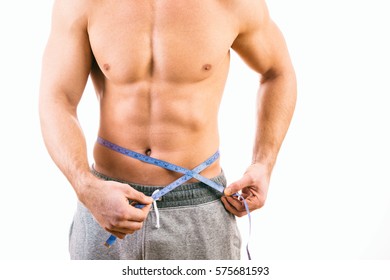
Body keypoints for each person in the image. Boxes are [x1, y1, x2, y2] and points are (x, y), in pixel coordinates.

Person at [39, 0, 296, 260]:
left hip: (200, 206)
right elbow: (57, 98)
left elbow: (278, 71)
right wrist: (86, 187)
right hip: (104, 206)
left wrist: (263, 163)